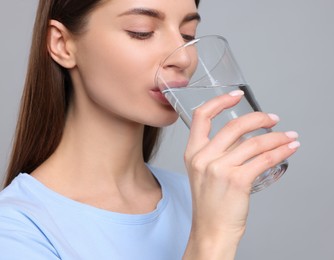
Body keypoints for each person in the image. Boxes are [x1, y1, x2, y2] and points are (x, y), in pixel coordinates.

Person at [0, 0, 300, 259]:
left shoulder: (198, 194)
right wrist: (212, 240)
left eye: (187, 34)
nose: (183, 57)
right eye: (141, 32)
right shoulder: (17, 228)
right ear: (62, 44)